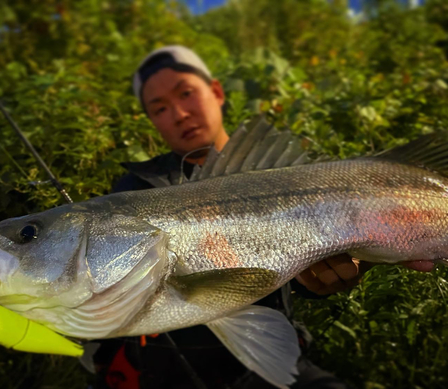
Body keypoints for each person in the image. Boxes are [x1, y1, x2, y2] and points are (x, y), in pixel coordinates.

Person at [93, 45, 365, 389]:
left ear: (217, 92)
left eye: (186, 93)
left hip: (264, 364)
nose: (178, 114)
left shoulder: (281, 171)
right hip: (163, 375)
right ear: (152, 121)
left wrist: (324, 277)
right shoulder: (133, 189)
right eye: (159, 108)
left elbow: (303, 276)